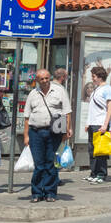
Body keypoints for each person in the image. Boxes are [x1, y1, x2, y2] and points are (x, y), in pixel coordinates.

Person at [22, 69, 72, 204]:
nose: (44, 81)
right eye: (41, 79)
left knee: (51, 164)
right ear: (37, 81)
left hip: (54, 133)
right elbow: (27, 117)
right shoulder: (33, 94)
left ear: (50, 78)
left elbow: (67, 112)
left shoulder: (60, 91)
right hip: (36, 132)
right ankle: (37, 193)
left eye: (46, 78)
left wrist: (67, 130)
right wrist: (26, 136)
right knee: (39, 165)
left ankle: (50, 192)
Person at [85, 65, 111, 185]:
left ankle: (101, 173)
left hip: (100, 124)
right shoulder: (96, 89)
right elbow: (92, 108)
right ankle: (93, 173)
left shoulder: (107, 89)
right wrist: (88, 123)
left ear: (99, 77)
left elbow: (110, 107)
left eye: (93, 76)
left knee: (101, 150)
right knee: (92, 149)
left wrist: (105, 124)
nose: (92, 78)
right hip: (93, 123)